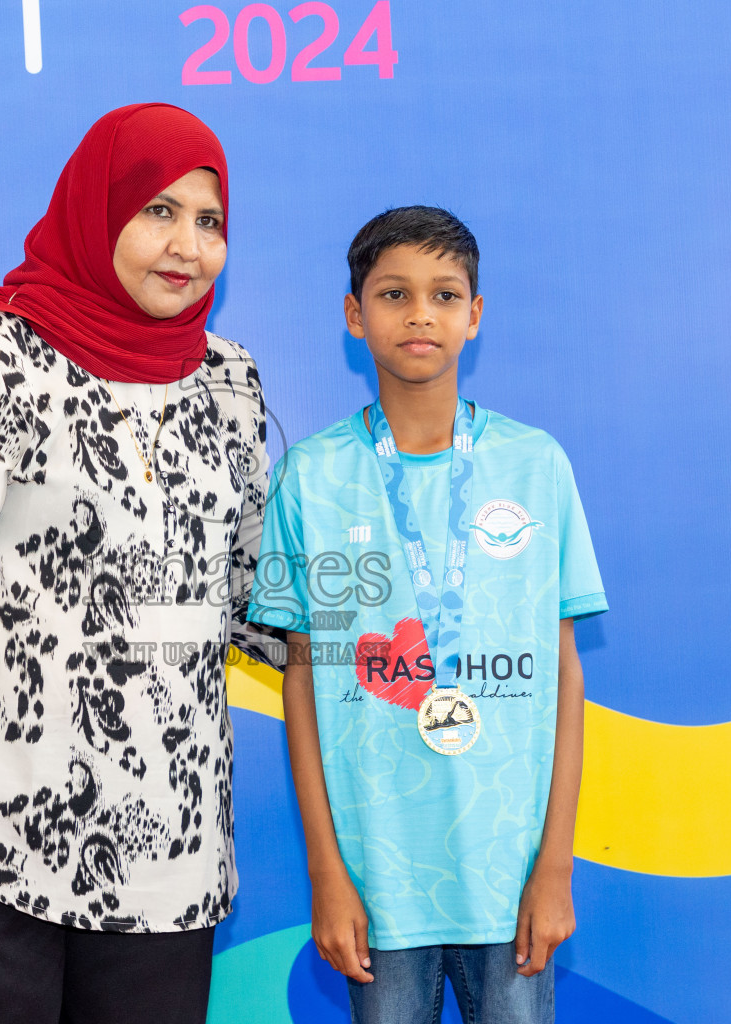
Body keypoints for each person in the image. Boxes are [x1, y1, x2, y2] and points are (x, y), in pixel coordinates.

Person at [0, 103, 280, 1024]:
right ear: (98, 209)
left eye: (210, 222)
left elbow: (249, 594)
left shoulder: (229, 379)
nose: (187, 245)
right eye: (158, 211)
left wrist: (391, 628)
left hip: (170, 847)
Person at [249, 206, 607, 1024]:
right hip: (380, 883)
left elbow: (564, 675)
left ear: (475, 316)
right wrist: (328, 875)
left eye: (445, 295)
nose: (420, 314)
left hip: (507, 879)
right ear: (354, 314)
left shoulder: (536, 466)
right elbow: (300, 684)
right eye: (394, 293)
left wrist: (555, 866)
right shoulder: (310, 477)